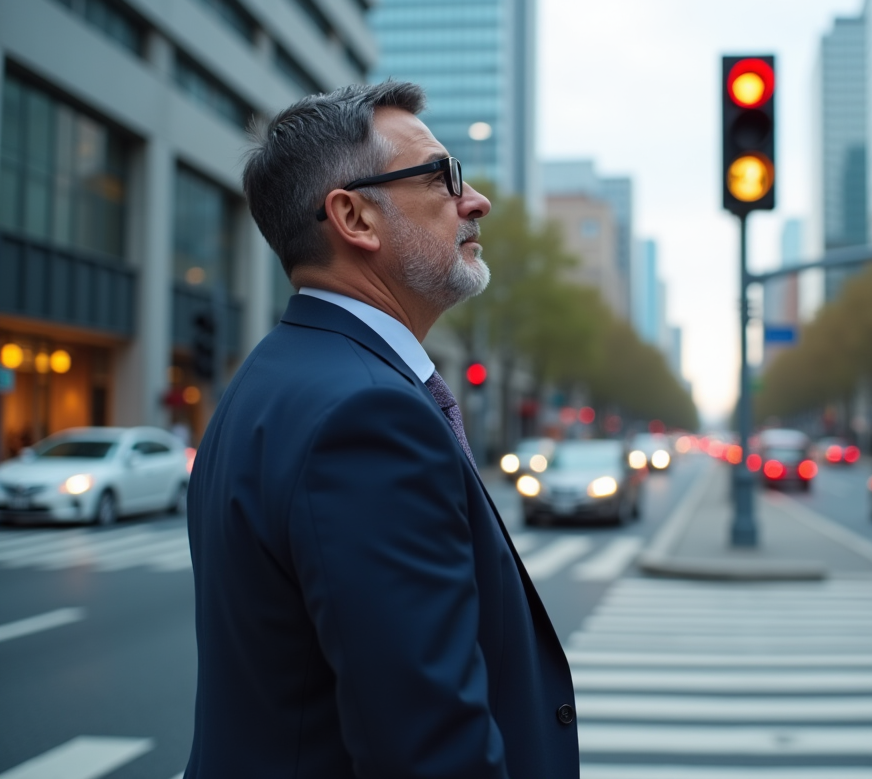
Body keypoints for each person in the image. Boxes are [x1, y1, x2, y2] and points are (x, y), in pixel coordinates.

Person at [184, 82, 578, 778]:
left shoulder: (271, 381)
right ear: (355, 217)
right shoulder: (368, 415)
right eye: (441, 177)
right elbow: (430, 753)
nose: (475, 201)